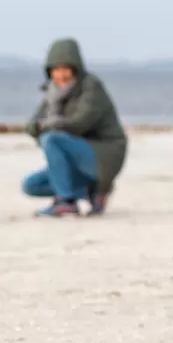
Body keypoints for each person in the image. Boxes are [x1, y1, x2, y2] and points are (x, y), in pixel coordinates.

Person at [23, 38, 127, 217]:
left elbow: (81, 123)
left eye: (65, 69)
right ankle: (89, 191)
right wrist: (38, 126)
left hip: (102, 155)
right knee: (31, 185)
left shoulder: (91, 87)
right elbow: (33, 124)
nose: (61, 75)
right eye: (56, 69)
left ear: (75, 68)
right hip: (75, 159)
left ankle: (66, 201)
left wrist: (48, 125)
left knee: (52, 138)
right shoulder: (53, 94)